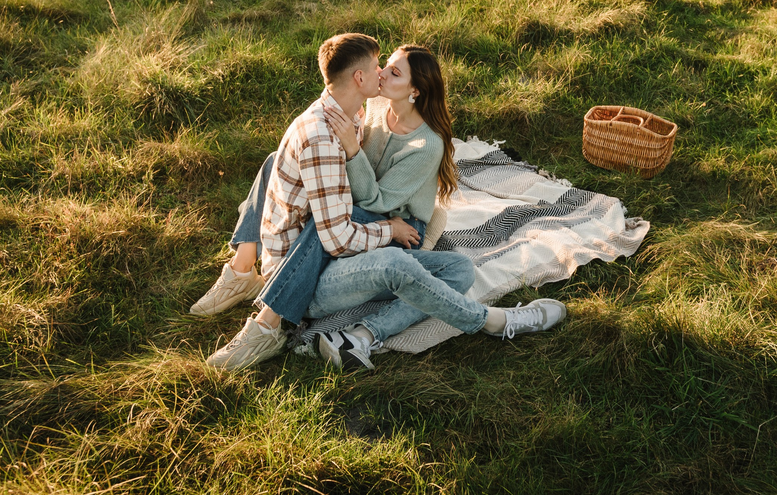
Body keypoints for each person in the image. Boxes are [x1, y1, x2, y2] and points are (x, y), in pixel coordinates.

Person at [196, 34, 567, 371]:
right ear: (361, 79)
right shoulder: (362, 111)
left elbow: (374, 200)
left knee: (460, 270)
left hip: (384, 216)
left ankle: (362, 335)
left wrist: (356, 159)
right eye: (381, 67)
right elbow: (339, 228)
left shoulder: (422, 144)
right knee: (281, 166)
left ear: (415, 91)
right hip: (352, 228)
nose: (383, 74)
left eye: (393, 71)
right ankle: (264, 309)